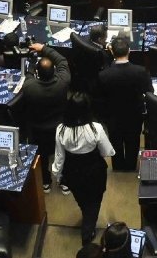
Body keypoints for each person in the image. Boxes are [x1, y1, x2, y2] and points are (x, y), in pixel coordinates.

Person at [52, 91, 115, 245]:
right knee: (94, 202)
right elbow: (108, 152)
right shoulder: (96, 128)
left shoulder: (61, 129)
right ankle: (87, 233)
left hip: (72, 172)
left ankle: (86, 216)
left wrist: (57, 174)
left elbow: (59, 157)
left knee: (82, 200)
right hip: (94, 171)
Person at [18, 41, 70, 192]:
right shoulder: (63, 82)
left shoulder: (29, 87)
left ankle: (45, 182)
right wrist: (43, 48)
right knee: (63, 154)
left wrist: (32, 65)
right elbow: (62, 60)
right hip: (60, 128)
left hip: (38, 129)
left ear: (37, 73)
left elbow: (28, 75)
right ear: (54, 71)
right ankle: (64, 182)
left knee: (42, 155)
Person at [97, 37, 151, 171]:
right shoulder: (141, 71)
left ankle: (118, 166)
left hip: (112, 116)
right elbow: (149, 92)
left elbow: (100, 98)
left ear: (112, 52)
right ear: (129, 51)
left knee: (115, 141)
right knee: (133, 141)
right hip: (134, 115)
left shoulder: (103, 75)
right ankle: (131, 166)